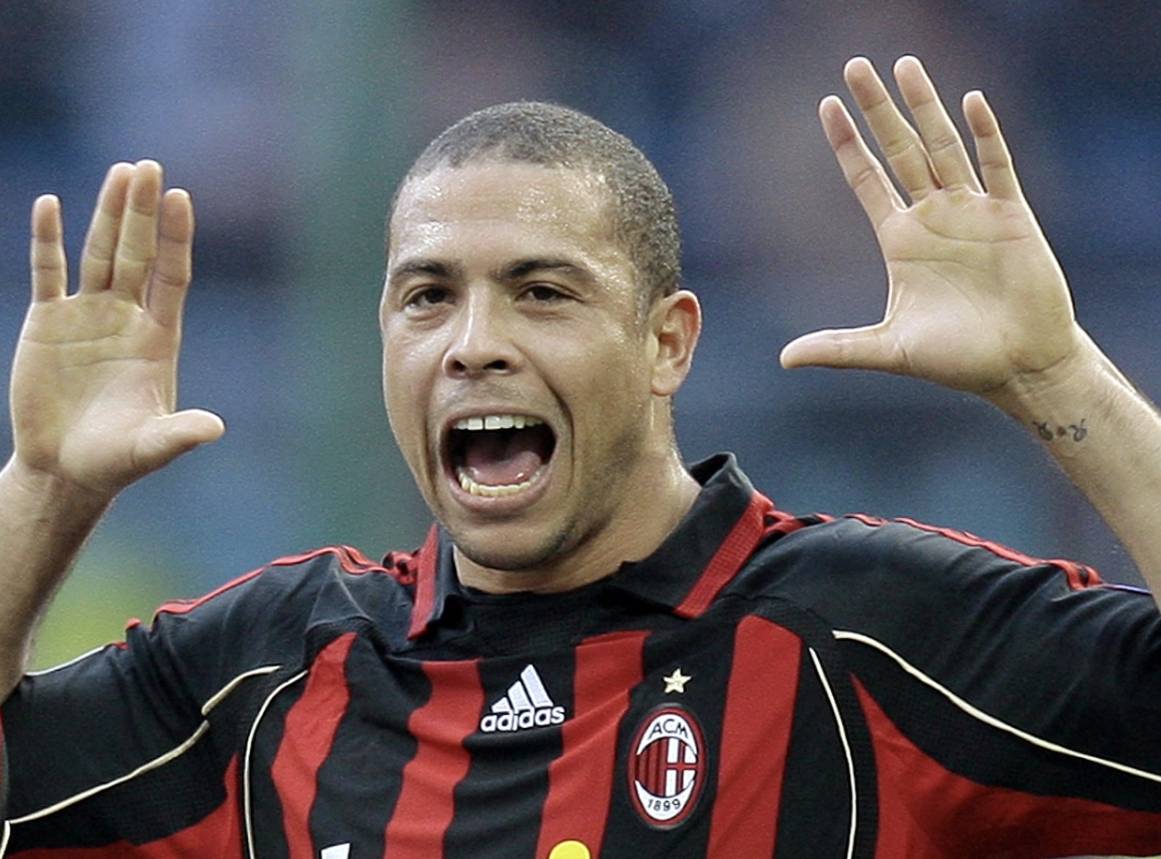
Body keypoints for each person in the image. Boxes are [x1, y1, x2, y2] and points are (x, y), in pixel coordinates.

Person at [1, 54, 1159, 859]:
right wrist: (45, 488)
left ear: (668, 343)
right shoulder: (271, 673)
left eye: (542, 292)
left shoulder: (866, 634)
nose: (474, 344)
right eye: (427, 297)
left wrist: (1056, 374)